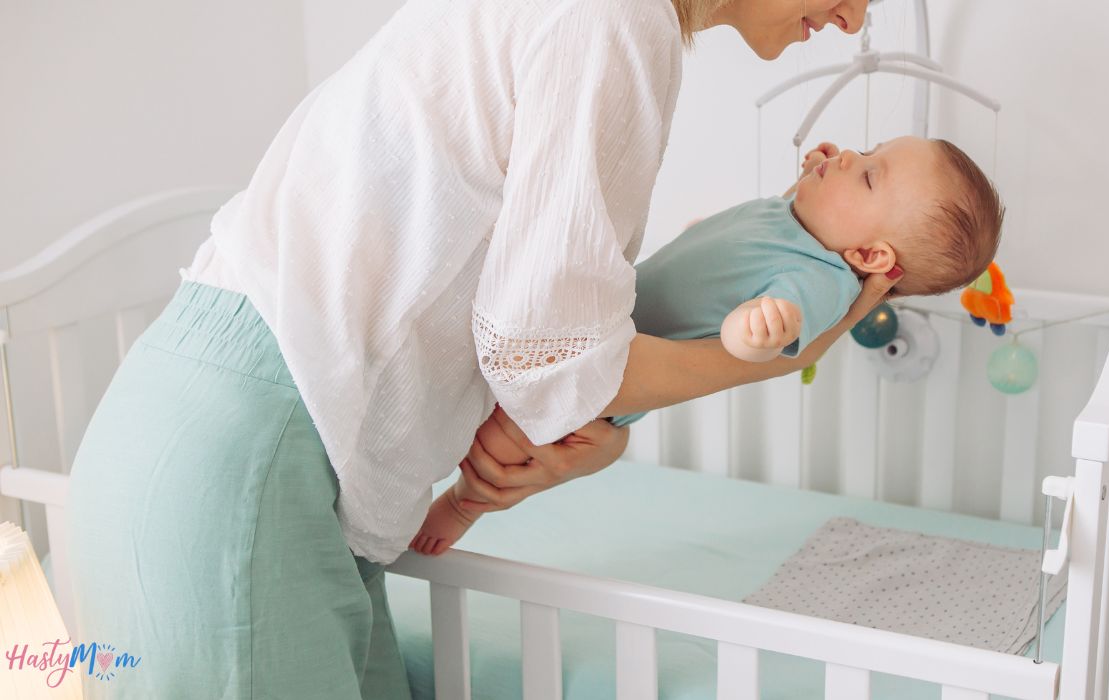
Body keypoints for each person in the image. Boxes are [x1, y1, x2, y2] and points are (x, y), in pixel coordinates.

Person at [67, 1, 891, 698]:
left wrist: (585, 424)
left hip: (260, 442)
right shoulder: (613, 22)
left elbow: (526, 331)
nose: (855, 18)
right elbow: (552, 356)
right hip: (249, 454)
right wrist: (786, 350)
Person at [410, 135, 1004, 555]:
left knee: (502, 439)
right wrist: (822, 175)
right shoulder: (796, 220)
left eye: (869, 174)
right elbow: (773, 230)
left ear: (870, 258)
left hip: (599, 389)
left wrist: (759, 329)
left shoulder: (819, 280)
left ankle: (462, 506)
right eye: (869, 150)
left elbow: (781, 333)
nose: (850, 155)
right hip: (594, 328)